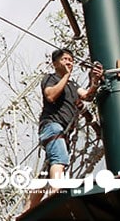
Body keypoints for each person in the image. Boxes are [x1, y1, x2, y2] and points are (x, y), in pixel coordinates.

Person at [24, 48, 103, 211]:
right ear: (55, 63)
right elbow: (51, 96)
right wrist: (66, 76)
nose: (69, 62)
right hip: (52, 126)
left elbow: (87, 95)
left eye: (71, 60)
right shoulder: (50, 78)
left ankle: (27, 210)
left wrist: (94, 81)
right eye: (65, 59)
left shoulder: (73, 86)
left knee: (47, 172)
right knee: (59, 160)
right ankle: (56, 197)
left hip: (63, 132)